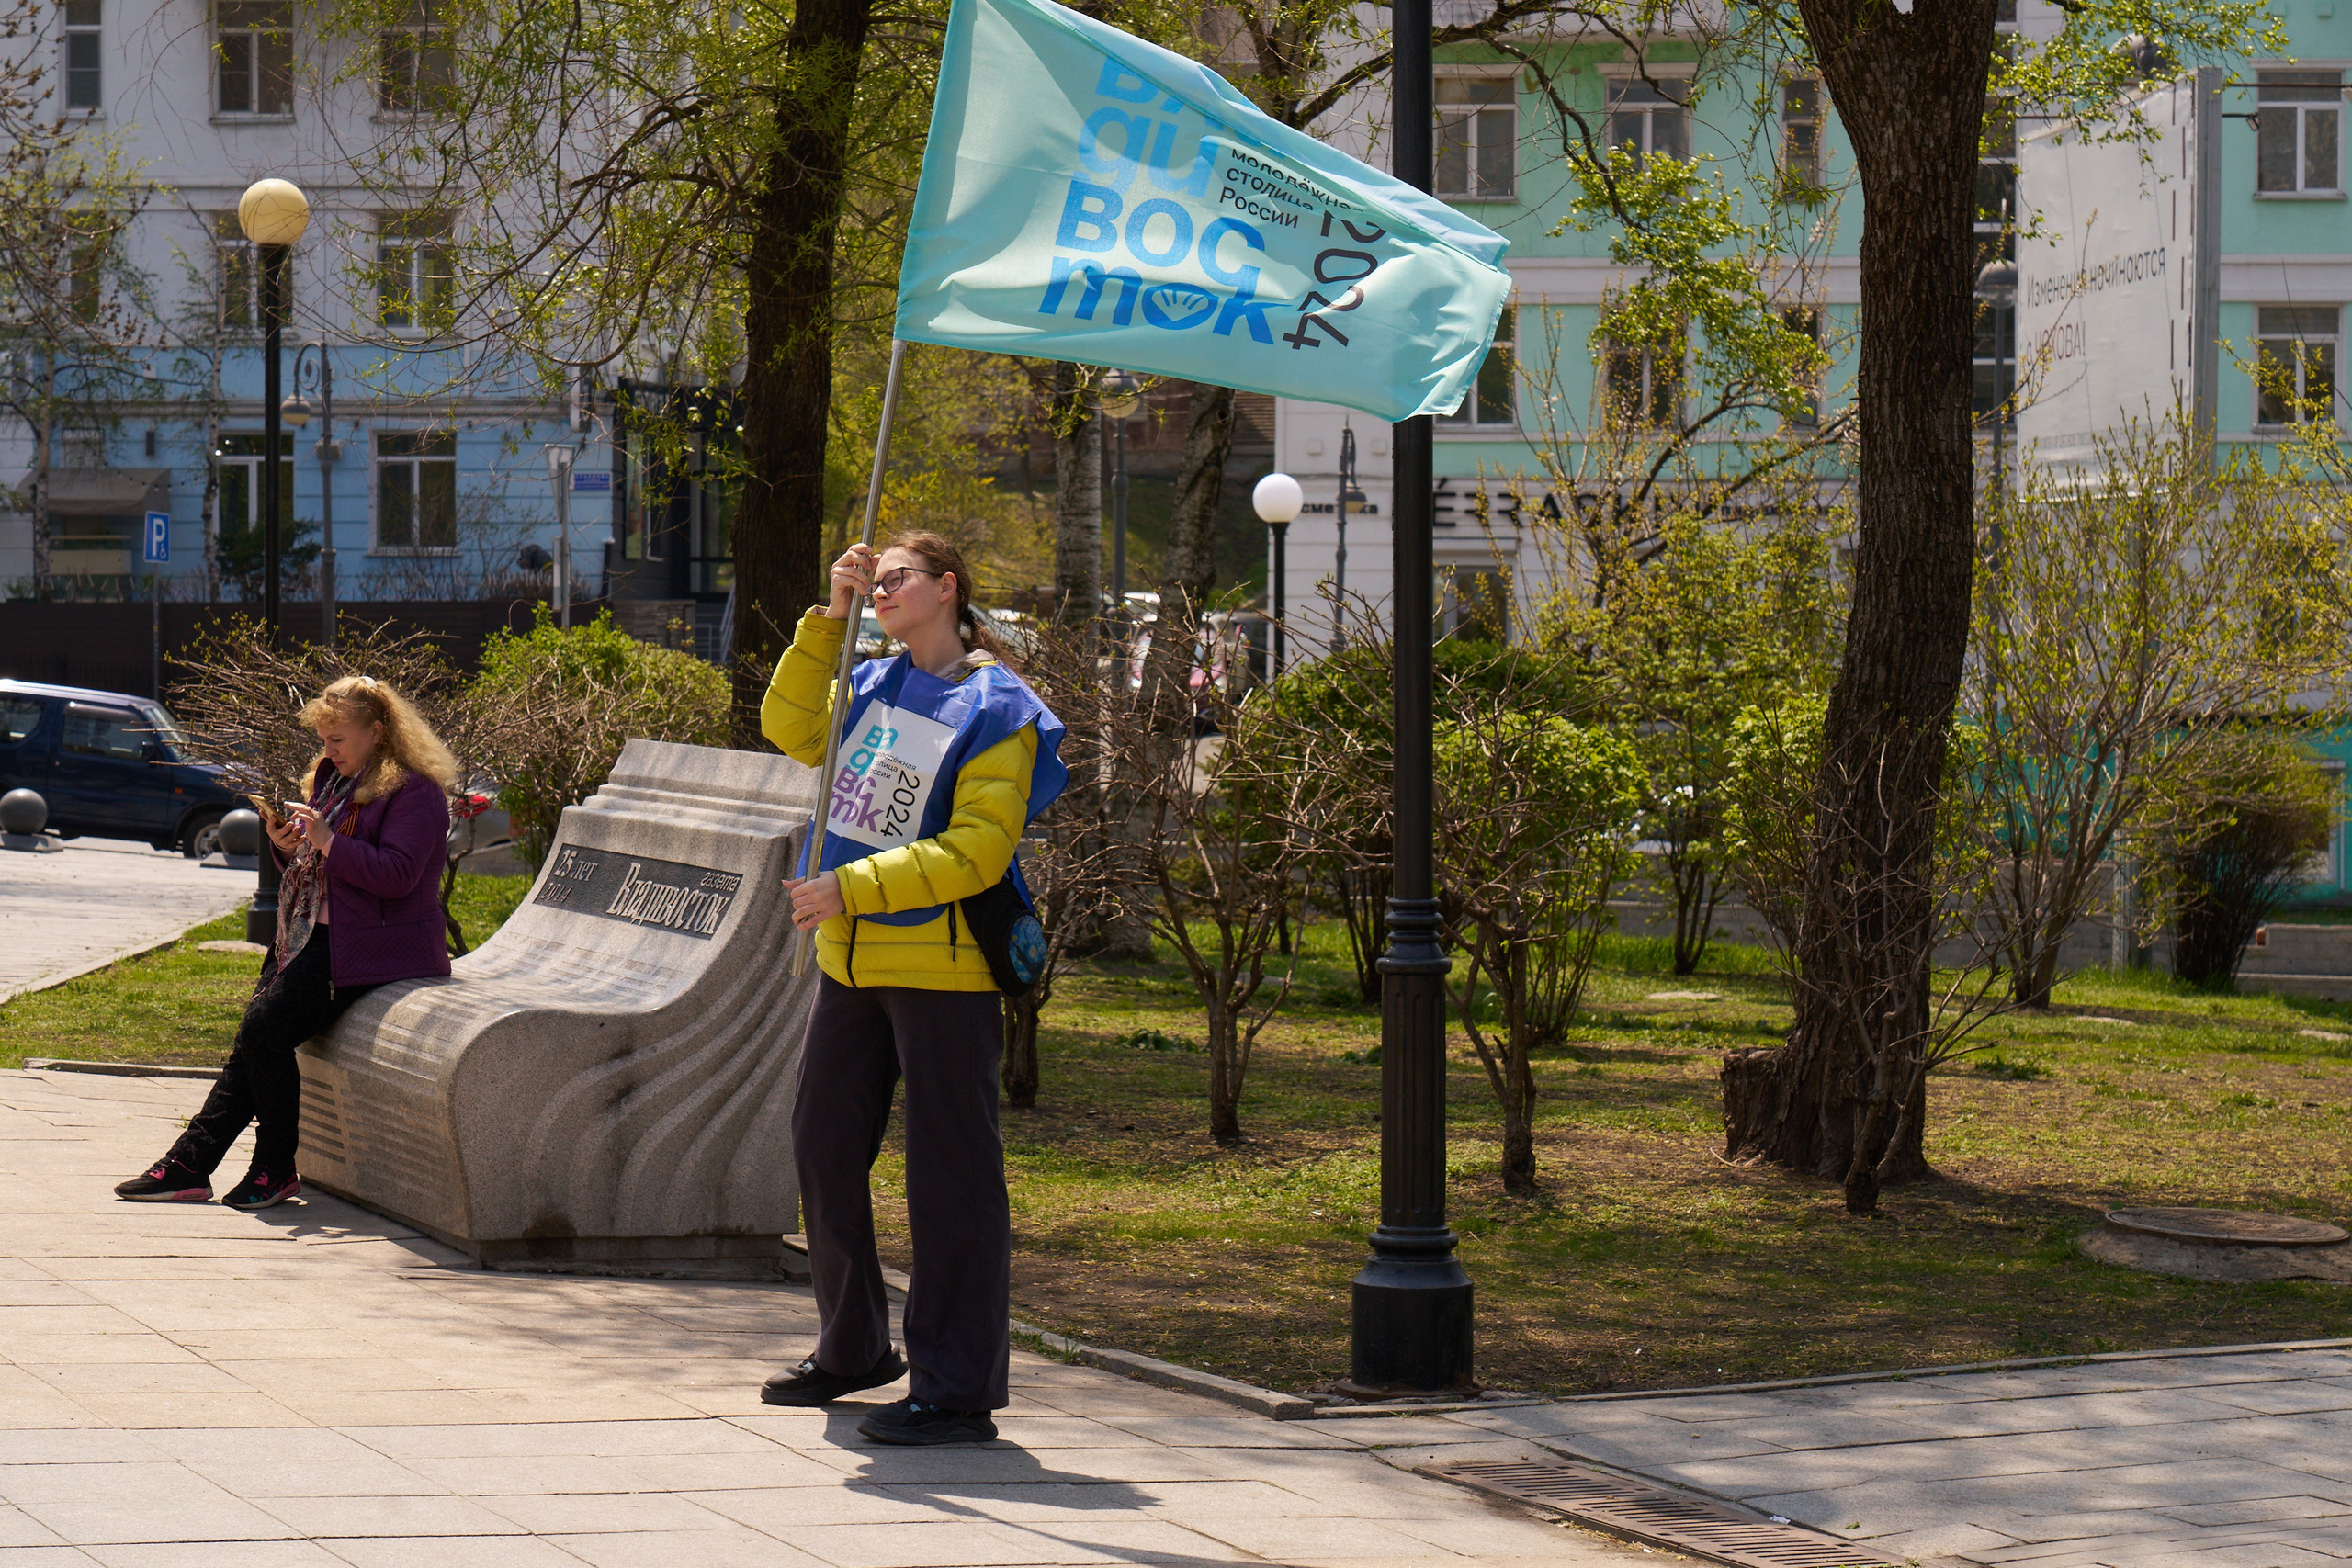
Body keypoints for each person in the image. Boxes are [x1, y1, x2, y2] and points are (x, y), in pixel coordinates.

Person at [758, 530, 1067, 1447]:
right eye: (873, 577)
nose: (881, 588)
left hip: (941, 971)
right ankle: (853, 1346)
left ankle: (956, 1387)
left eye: (896, 577)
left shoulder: (996, 705)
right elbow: (790, 728)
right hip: (850, 965)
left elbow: (977, 850)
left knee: (950, 1183)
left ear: (947, 589)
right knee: (821, 1148)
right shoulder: (869, 683)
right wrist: (828, 619)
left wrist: (849, 886)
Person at [115, 674, 457, 1212]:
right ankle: (189, 1165)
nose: (329, 749)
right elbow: (315, 864)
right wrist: (288, 847)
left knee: (263, 1032)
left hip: (369, 948)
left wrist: (325, 839)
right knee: (252, 1041)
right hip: (310, 934)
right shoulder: (336, 779)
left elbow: (398, 876)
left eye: (339, 738)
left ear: (379, 730)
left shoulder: (415, 792)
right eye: (324, 739)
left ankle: (273, 1167)